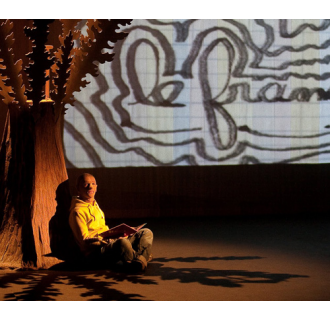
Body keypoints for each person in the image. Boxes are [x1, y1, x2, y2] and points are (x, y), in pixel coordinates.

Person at [69, 173, 153, 273]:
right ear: (78, 188)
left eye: (93, 183)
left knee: (146, 232)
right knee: (123, 243)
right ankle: (141, 259)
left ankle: (137, 260)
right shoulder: (77, 211)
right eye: (86, 184)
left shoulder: (94, 204)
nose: (90, 186)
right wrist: (110, 240)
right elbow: (84, 242)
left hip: (109, 242)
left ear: (96, 187)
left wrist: (122, 232)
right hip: (96, 253)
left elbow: (103, 229)